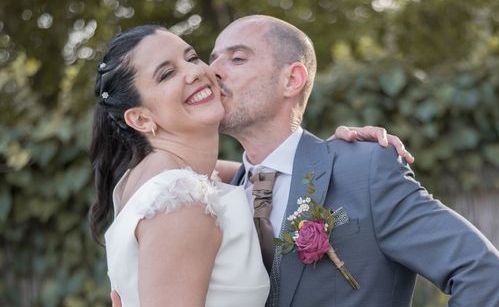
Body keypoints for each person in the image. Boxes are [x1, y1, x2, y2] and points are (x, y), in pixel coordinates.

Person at [208, 15, 499, 306]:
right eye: (213, 60)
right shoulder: (220, 195)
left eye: (237, 58)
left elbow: (483, 274)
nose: (213, 72)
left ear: (291, 79)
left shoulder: (363, 169)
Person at [90, 25, 410, 306]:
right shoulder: (182, 200)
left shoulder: (153, 177)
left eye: (190, 57)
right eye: (167, 74)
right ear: (141, 118)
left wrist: (331, 154)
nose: (196, 72)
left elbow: (267, 167)